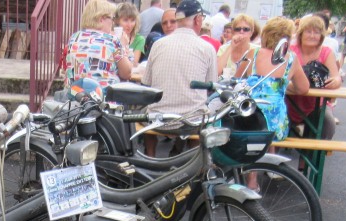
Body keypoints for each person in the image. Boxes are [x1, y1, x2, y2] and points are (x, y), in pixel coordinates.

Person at [141, 0, 217, 157]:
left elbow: (146, 83)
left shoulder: (158, 44)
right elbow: (211, 86)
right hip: (191, 122)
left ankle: (150, 157)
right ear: (198, 19)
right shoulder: (207, 48)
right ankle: (193, 160)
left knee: (145, 110)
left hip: (159, 120)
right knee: (201, 111)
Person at [242, 16, 310, 143]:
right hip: (276, 123)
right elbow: (303, 88)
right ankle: (271, 159)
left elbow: (237, 79)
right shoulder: (290, 58)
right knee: (273, 124)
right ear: (287, 39)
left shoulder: (253, 53)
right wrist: (284, 84)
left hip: (249, 118)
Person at [287, 14, 342, 141]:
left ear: (322, 36)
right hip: (289, 102)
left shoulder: (326, 52)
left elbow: (337, 78)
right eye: (308, 31)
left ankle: (310, 160)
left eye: (316, 32)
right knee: (271, 122)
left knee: (328, 125)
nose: (312, 35)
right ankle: (272, 160)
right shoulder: (290, 50)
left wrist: (335, 82)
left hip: (316, 105)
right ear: (300, 33)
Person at [64, 0, 133, 91]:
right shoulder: (112, 40)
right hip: (103, 100)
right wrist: (123, 46)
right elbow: (127, 73)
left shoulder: (74, 38)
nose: (112, 23)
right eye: (112, 19)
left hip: (75, 98)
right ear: (101, 19)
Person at [217, 13, 259, 79]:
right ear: (233, 32)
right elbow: (216, 72)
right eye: (238, 29)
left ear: (251, 32)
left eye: (246, 29)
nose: (241, 31)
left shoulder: (257, 50)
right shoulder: (223, 48)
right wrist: (231, 47)